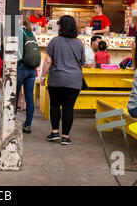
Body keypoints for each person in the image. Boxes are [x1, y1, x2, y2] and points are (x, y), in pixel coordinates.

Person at [40, 15, 85, 145]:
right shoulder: (79, 43)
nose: (57, 25)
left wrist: (42, 76)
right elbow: (82, 62)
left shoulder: (55, 41)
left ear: (62, 26)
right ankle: (65, 137)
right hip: (74, 81)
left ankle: (54, 132)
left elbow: (48, 61)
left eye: (59, 23)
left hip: (56, 79)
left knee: (54, 105)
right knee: (68, 108)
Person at [16, 11, 38, 134]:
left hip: (21, 68)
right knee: (29, 97)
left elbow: (17, 53)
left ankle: (11, 121)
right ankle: (28, 125)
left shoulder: (19, 32)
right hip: (32, 70)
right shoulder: (31, 32)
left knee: (14, 96)